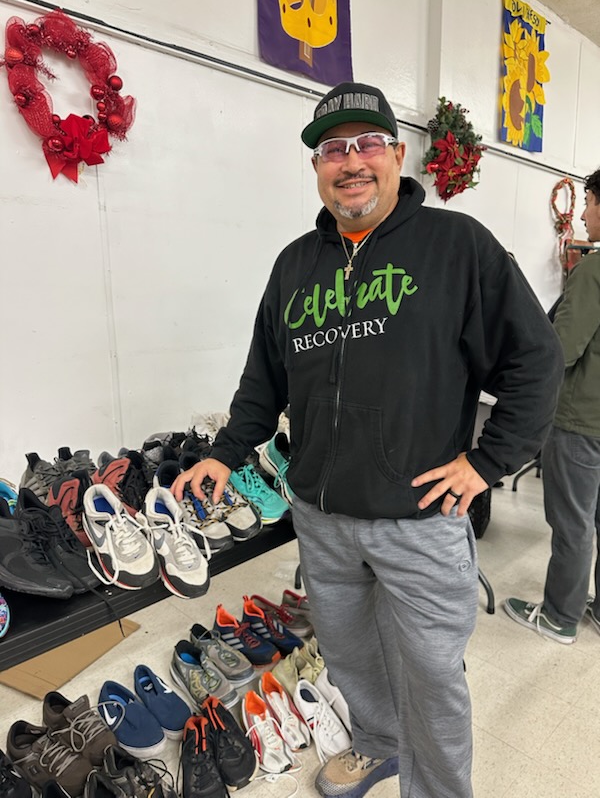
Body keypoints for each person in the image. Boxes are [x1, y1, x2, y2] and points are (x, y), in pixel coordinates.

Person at [173, 82, 563, 798]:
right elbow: (265, 376)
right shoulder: (295, 265)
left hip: (420, 520)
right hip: (323, 520)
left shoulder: (457, 247)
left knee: (433, 677)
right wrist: (225, 453)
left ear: (397, 154)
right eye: (333, 149)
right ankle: (380, 745)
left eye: (367, 144)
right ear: (316, 167)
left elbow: (536, 360)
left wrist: (487, 461)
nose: (351, 162)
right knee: (350, 658)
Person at [505, 168, 600, 646]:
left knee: (572, 524)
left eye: (589, 202)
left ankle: (561, 615)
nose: (582, 214)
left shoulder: (594, 271)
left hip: (581, 420)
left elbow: (561, 349)